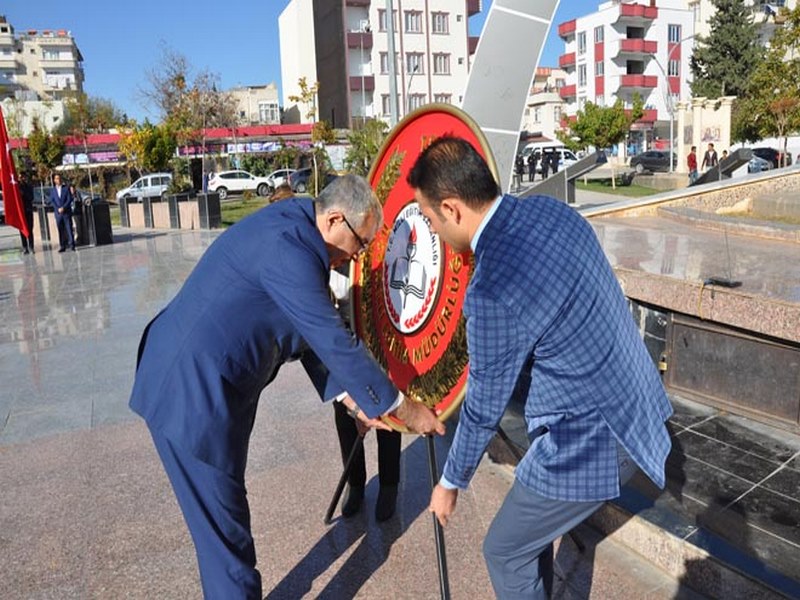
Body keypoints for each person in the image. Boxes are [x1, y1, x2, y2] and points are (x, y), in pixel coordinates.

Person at [129, 174, 444, 599]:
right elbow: (333, 339)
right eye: (362, 243)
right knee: (226, 542)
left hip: (214, 386)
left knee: (227, 519)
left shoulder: (297, 227)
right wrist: (404, 408)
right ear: (335, 220)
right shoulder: (289, 251)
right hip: (192, 394)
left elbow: (308, 337)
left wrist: (356, 403)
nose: (360, 256)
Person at [408, 137, 673, 599]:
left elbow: (483, 404)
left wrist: (450, 482)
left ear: (451, 209)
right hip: (637, 409)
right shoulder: (553, 212)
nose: (434, 232)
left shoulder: (492, 289)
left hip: (588, 443)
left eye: (429, 220)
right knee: (525, 543)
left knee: (504, 551)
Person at [49, 174, 75, 252]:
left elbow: (69, 199)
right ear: (54, 180)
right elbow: (52, 201)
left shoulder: (66, 189)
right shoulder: (53, 190)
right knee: (60, 229)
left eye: (59, 178)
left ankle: (72, 245)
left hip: (66, 212)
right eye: (56, 179)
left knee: (69, 228)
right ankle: (62, 245)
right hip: (58, 213)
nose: (58, 180)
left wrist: (64, 207)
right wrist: (58, 208)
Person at [18, 172, 35, 254]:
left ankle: (31, 246)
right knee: (22, 230)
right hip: (21, 212)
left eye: (23, 177)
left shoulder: (29, 186)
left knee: (30, 229)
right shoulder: (16, 187)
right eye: (20, 177)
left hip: (28, 211)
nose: (21, 179)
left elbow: (31, 197)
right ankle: (25, 247)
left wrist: (23, 193)